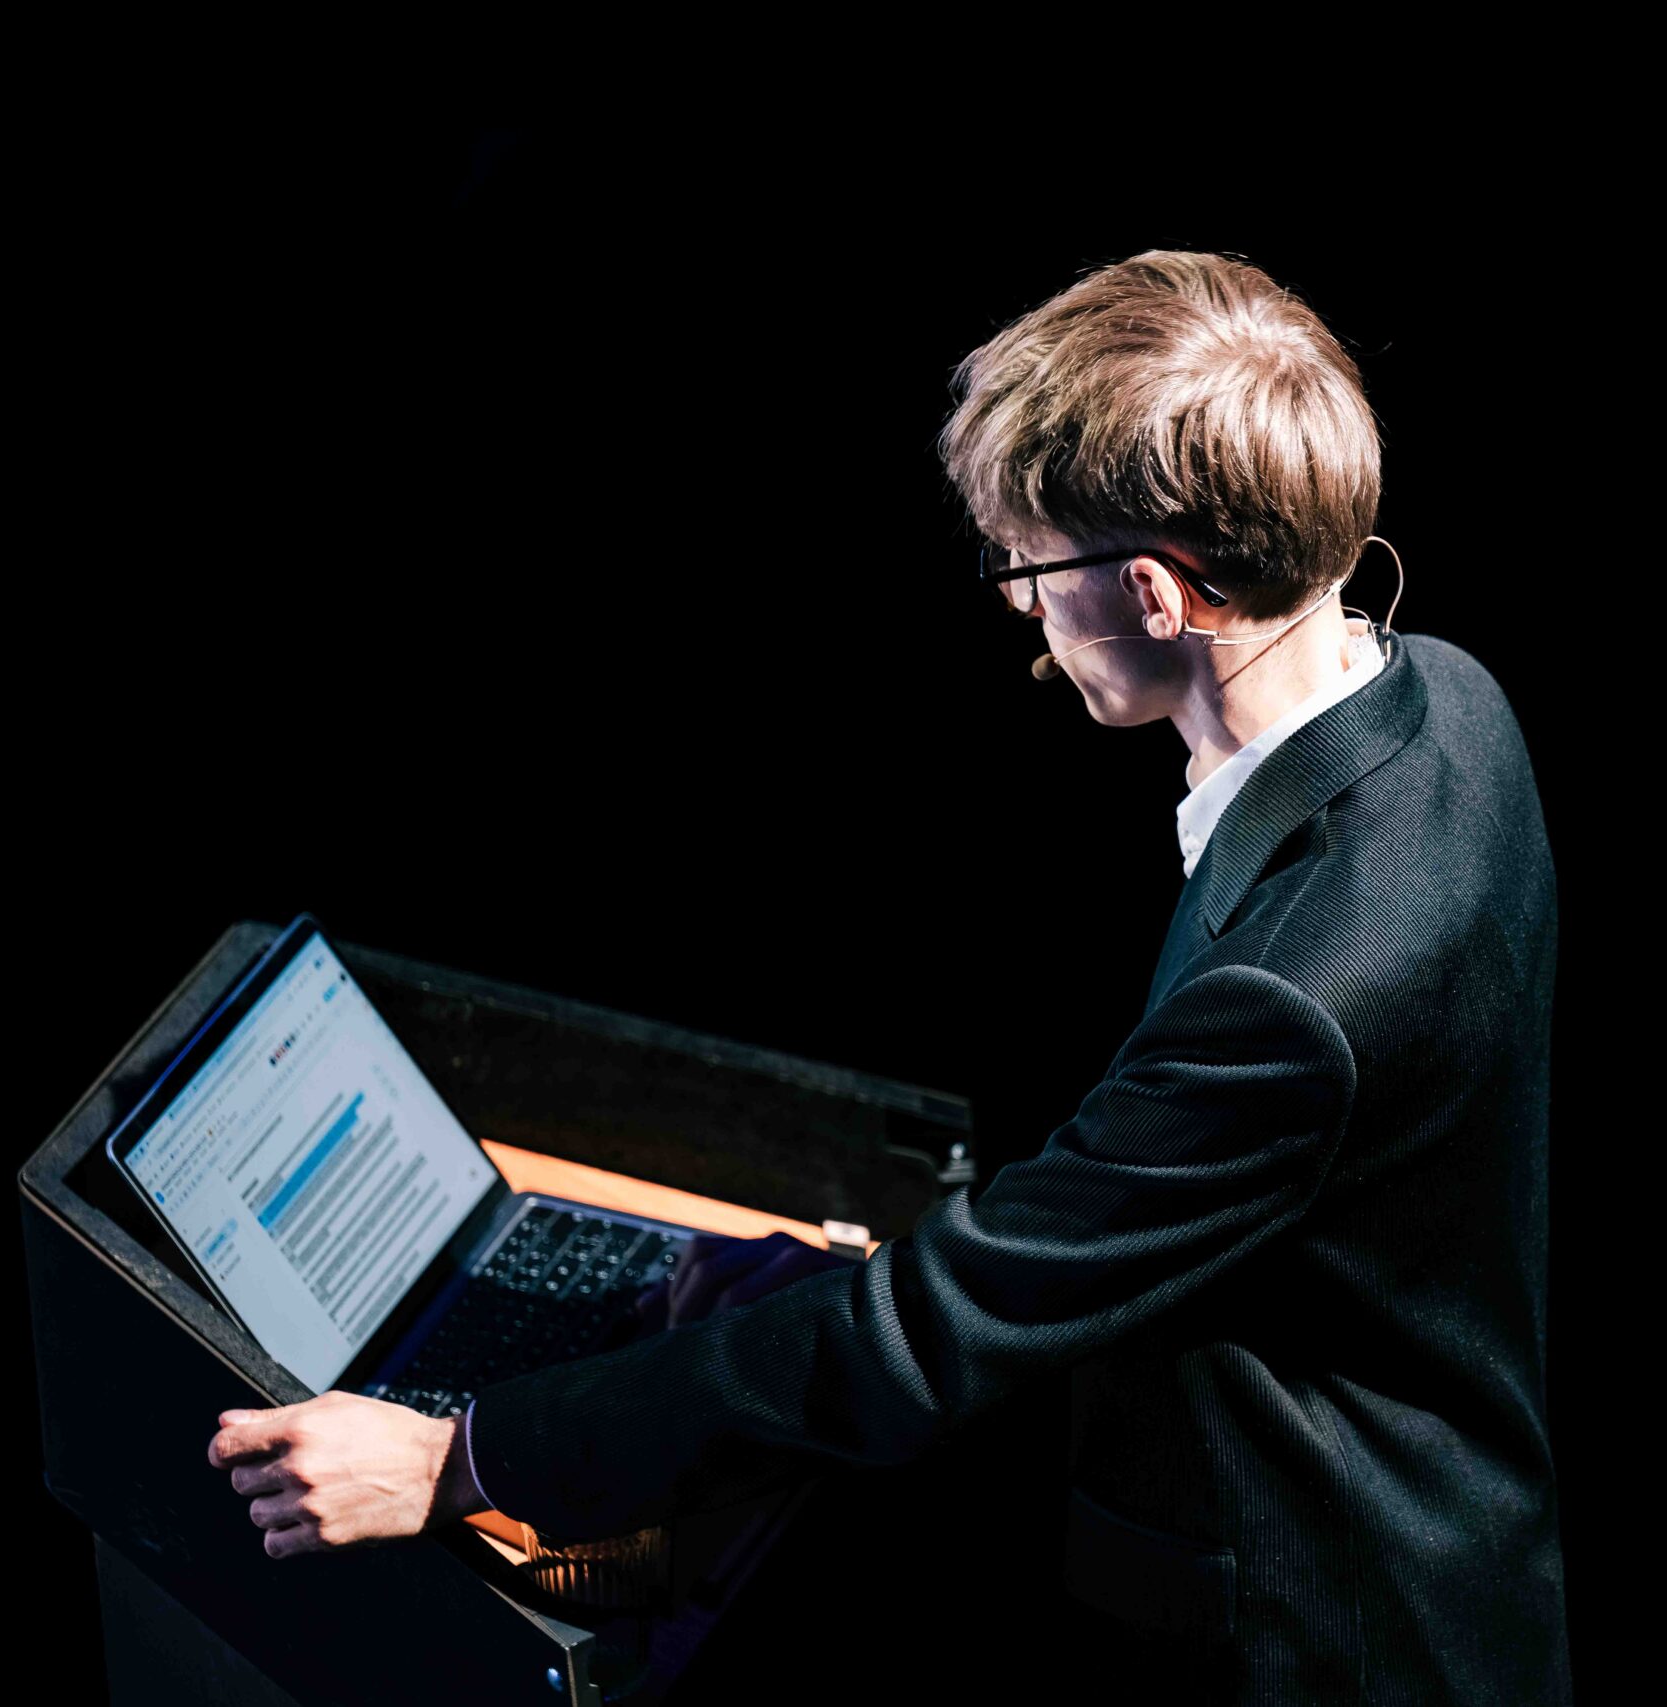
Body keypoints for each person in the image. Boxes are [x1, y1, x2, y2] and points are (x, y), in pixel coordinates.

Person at [207, 249, 1567, 1703]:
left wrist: (460, 1457)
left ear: (1156, 593)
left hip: (1322, 1633)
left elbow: (932, 1339)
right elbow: (1182, 1204)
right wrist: (861, 1279)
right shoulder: (1447, 703)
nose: (1022, 615)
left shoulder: (1292, 1003)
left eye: (1029, 570)